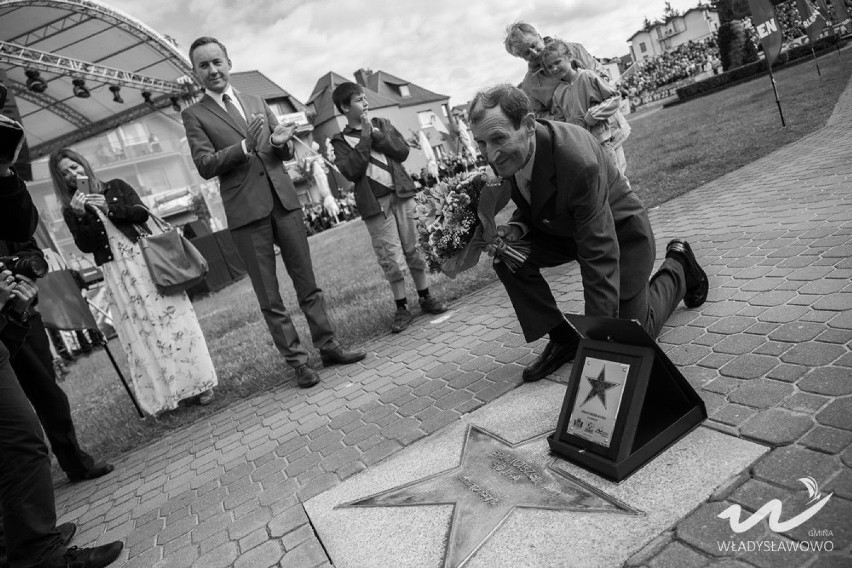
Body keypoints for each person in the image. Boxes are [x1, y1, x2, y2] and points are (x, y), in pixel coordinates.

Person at [468, 85, 708, 382]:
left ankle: (679, 267)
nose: (489, 154)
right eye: (481, 143)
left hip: (620, 236)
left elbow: (600, 254)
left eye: (498, 139)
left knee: (631, 339)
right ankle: (563, 338)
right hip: (566, 232)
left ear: (529, 125)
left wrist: (599, 341)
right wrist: (516, 228)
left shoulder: (575, 161)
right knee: (508, 258)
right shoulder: (516, 152)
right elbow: (537, 199)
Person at [181, 37, 364, 388]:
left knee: (308, 282)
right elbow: (205, 165)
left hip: (283, 200)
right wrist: (245, 146)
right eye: (203, 65)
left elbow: (280, 154)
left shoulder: (256, 101)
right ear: (195, 73)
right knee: (270, 295)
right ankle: (298, 363)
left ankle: (328, 346)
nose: (212, 69)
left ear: (229, 62)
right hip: (245, 212)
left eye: (217, 61)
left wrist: (279, 143)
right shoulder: (194, 115)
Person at [0, 111, 122, 568]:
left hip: (17, 302)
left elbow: (23, 223)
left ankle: (33, 526)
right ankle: (33, 548)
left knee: (43, 396)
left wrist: (4, 168)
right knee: (19, 436)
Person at [48, 148, 217, 414]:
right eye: (65, 172)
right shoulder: (71, 210)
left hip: (145, 262)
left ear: (84, 163)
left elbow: (141, 213)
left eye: (75, 166)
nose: (73, 174)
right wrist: (81, 216)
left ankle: (200, 383)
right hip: (117, 273)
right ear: (61, 179)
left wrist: (110, 208)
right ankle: (168, 394)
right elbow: (86, 245)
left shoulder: (115, 186)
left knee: (173, 319)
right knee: (142, 331)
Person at [330, 82, 446, 333]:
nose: (365, 103)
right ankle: (402, 306)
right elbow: (351, 170)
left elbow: (402, 151)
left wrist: (377, 135)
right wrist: (364, 139)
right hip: (376, 205)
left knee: (414, 249)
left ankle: (425, 296)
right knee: (390, 257)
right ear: (344, 107)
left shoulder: (382, 124)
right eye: (359, 100)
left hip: (403, 194)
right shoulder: (339, 140)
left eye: (364, 98)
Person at [0, 237, 113, 483]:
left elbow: (28, 244)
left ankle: (74, 462)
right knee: (14, 418)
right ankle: (23, 493)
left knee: (49, 394)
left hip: (23, 311)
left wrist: (17, 266)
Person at [540, 40, 629, 174]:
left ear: (569, 57)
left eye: (557, 62)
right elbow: (563, 125)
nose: (554, 69)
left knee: (617, 179)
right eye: (549, 67)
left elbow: (614, 97)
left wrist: (595, 114)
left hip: (604, 140)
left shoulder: (588, 76)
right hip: (584, 148)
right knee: (600, 185)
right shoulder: (558, 94)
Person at [504, 22, 607, 118]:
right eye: (527, 53)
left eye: (534, 45)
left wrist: (595, 109)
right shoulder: (529, 85)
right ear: (521, 57)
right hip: (581, 132)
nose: (534, 52)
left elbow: (602, 76)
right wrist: (564, 119)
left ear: (539, 37)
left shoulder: (573, 50)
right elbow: (539, 115)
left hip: (612, 123)